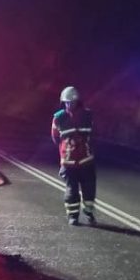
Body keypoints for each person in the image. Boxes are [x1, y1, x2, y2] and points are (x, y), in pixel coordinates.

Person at [51, 85, 96, 225]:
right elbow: (55, 137)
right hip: (69, 162)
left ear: (78, 102)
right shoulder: (58, 118)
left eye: (72, 102)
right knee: (72, 190)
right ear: (63, 102)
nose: (70, 104)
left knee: (89, 188)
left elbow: (93, 134)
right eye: (67, 102)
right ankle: (73, 215)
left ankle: (89, 212)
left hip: (86, 160)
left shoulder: (88, 115)